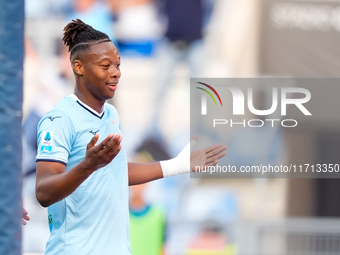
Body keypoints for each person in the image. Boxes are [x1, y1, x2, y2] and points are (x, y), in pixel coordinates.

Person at [35, 19, 227, 255]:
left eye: (118, 64)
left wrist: (177, 165)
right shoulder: (59, 119)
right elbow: (43, 192)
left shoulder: (111, 115)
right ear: (79, 67)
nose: (116, 72)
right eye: (106, 65)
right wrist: (87, 166)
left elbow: (116, 171)